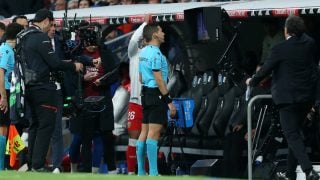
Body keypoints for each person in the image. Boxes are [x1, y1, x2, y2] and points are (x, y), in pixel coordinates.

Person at [246, 15, 319, 180]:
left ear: (286, 30)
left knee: (292, 134)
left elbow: (265, 70)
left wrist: (252, 81)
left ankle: (308, 171)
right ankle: (290, 174)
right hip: (306, 99)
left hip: (287, 100)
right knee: (296, 135)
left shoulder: (280, 49)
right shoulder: (310, 44)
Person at [20, 9, 82, 172]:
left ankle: (31, 163)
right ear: (46, 21)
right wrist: (73, 65)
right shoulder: (40, 37)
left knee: (34, 125)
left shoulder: (23, 36)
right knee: (46, 126)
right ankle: (38, 165)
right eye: (52, 24)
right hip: (43, 88)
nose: (52, 28)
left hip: (27, 88)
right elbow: (54, 63)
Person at [137, 24, 176, 176]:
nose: (164, 33)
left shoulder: (143, 52)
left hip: (145, 94)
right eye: (161, 31)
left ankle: (141, 172)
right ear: (154, 35)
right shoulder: (157, 55)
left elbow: (140, 78)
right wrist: (169, 102)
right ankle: (153, 173)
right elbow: (159, 80)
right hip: (155, 94)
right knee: (154, 134)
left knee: (144, 132)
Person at [126, 15, 148, 175]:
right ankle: (131, 173)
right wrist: (145, 23)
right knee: (133, 140)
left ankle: (147, 173)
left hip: (150, 103)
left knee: (149, 141)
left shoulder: (157, 56)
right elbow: (133, 40)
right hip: (135, 102)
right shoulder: (134, 53)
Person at [0, 23, 24, 171]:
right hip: (5, 92)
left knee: (6, 128)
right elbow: (0, 73)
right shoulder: (6, 50)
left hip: (8, 92)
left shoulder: (7, 49)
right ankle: (1, 167)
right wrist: (3, 96)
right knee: (2, 129)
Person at [47, 23, 64, 173]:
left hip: (57, 90)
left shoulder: (60, 42)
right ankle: (35, 162)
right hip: (41, 91)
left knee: (57, 130)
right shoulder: (37, 42)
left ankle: (56, 165)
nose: (53, 29)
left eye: (54, 26)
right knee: (40, 128)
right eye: (50, 26)